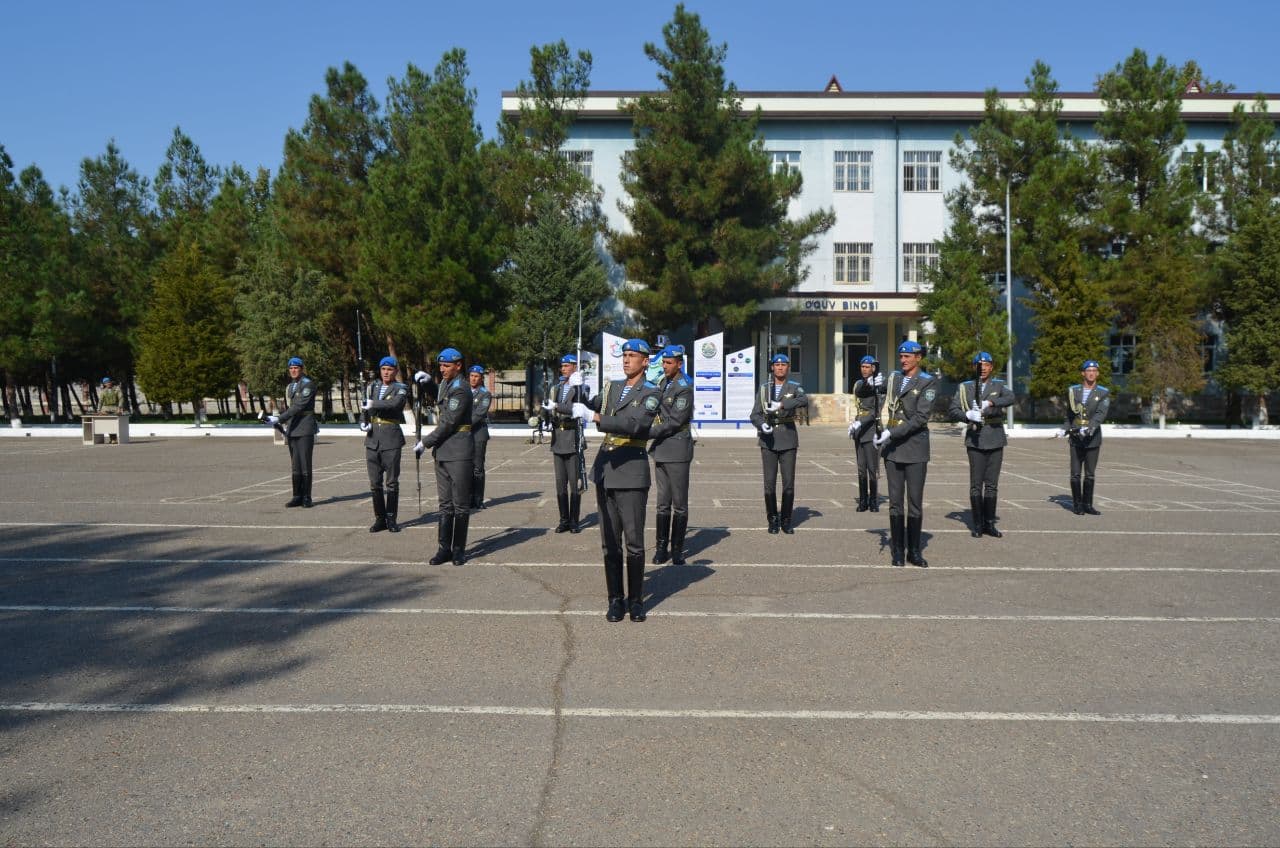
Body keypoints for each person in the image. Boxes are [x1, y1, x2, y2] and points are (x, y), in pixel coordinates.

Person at [563, 339, 659, 622]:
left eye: (633, 356)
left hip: (630, 470)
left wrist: (594, 415)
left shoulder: (650, 392)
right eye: (625, 355)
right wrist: (576, 387)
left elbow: (636, 425)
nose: (627, 360)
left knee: (634, 542)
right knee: (610, 542)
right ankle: (615, 599)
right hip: (605, 469)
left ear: (645, 361)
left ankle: (637, 600)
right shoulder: (612, 388)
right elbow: (579, 406)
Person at [872, 340, 937, 566]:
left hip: (915, 449)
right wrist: (870, 382)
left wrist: (892, 432)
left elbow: (919, 418)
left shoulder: (927, 382)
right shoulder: (894, 379)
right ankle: (898, 551)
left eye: (908, 356)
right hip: (893, 451)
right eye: (901, 356)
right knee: (895, 503)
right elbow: (867, 393)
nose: (904, 360)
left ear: (919, 357)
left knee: (915, 502)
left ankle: (915, 551)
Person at [414, 348, 474, 564]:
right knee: (445, 504)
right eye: (440, 366)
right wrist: (429, 383)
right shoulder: (446, 384)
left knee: (460, 504)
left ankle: (458, 550)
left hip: (458, 451)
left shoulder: (462, 388)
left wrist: (425, 442)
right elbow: (441, 399)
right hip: (443, 452)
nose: (442, 369)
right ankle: (443, 549)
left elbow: (449, 421)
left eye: (447, 366)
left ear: (458, 365)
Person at [948, 351, 1016, 538]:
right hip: (975, 439)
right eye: (979, 365)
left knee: (992, 484)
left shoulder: (999, 385)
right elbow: (953, 410)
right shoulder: (966, 388)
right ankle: (977, 524)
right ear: (974, 367)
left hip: (995, 438)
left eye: (986, 365)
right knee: (976, 484)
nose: (983, 368)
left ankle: (989, 523)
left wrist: (991, 402)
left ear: (991, 367)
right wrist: (967, 415)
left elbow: (1011, 399)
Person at [749, 352, 809, 534]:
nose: (780, 368)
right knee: (769, 483)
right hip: (768, 439)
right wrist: (762, 425)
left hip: (788, 437)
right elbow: (755, 414)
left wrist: (782, 405)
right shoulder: (765, 389)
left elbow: (804, 400)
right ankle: (772, 520)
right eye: (777, 365)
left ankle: (786, 520)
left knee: (788, 482)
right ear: (772, 367)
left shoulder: (794, 387)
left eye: (784, 365)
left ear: (788, 367)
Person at [649, 345, 695, 565]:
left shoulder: (684, 387)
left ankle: (677, 549)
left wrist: (646, 432)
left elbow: (676, 420)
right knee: (662, 503)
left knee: (679, 503)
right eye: (663, 362)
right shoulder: (662, 383)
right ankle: (661, 548)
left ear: (679, 363)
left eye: (668, 363)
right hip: (661, 448)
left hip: (677, 448)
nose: (665, 366)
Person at [542, 353, 590, 534]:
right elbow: (548, 406)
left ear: (574, 367)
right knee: (560, 483)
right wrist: (545, 415)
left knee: (574, 483)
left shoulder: (581, 388)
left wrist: (555, 406)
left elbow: (577, 409)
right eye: (562, 366)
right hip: (558, 438)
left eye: (567, 366)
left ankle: (574, 521)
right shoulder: (556, 388)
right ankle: (563, 520)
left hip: (573, 438)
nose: (563, 369)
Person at [362, 356, 409, 533]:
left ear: (395, 371)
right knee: (375, 483)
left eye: (390, 369)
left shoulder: (401, 388)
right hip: (373, 439)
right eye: (383, 369)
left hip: (391, 439)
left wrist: (373, 403)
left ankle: (391, 519)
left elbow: (394, 405)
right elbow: (364, 408)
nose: (386, 372)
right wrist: (363, 421)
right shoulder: (372, 387)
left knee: (391, 483)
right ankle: (379, 518)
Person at [1057, 359, 1111, 516]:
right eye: (1089, 371)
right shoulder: (1074, 391)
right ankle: (1077, 504)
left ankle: (1088, 504)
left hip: (1092, 437)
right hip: (1075, 437)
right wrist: (1064, 429)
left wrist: (1089, 427)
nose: (1092, 373)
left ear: (1098, 373)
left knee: (1090, 473)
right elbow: (1069, 414)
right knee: (1075, 473)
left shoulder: (1103, 392)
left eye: (1094, 371)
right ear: (1083, 373)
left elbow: (1101, 414)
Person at [265, 356, 318, 508]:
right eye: (291, 368)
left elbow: (298, 407)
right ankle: (297, 496)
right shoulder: (290, 387)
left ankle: (307, 497)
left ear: (301, 369)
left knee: (305, 464)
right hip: (293, 427)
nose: (293, 370)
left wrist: (279, 419)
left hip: (305, 427)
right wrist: (277, 419)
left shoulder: (308, 385)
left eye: (296, 368)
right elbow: (289, 407)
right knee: (295, 465)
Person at [847, 355, 885, 512]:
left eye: (868, 367)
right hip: (860, 431)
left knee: (872, 468)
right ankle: (863, 500)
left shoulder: (879, 385)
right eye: (862, 366)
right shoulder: (858, 384)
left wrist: (859, 422)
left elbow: (875, 410)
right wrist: (855, 423)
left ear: (873, 368)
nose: (864, 369)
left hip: (872, 430)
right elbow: (859, 400)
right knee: (861, 467)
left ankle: (874, 500)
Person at [468, 365, 492, 510]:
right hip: (464, 434)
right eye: (471, 375)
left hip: (478, 434)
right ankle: (468, 497)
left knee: (477, 468)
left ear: (481, 378)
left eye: (476, 376)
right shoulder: (464, 391)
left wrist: (462, 425)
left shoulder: (485, 394)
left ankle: (478, 499)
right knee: (466, 467)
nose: (473, 378)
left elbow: (479, 414)